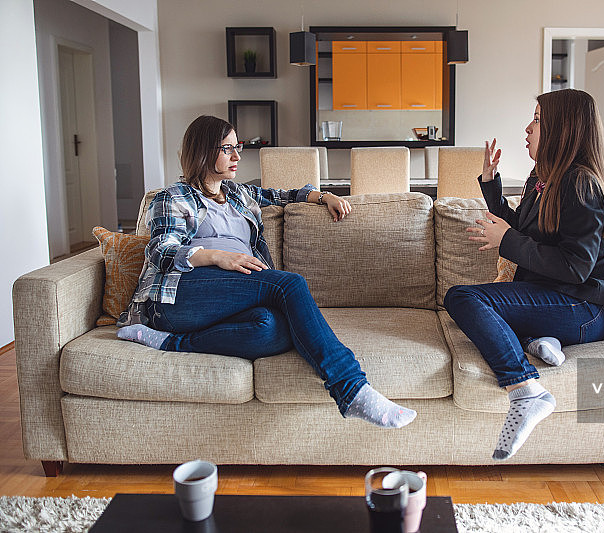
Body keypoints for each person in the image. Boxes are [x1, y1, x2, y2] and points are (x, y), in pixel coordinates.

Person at [117, 115, 416, 429]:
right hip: (180, 295)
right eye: (227, 149)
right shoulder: (173, 197)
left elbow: (284, 196)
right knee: (288, 285)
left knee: (272, 330)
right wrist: (217, 256)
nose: (237, 156)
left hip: (230, 294)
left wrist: (324, 196)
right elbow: (160, 250)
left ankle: (168, 343)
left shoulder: (238, 195)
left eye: (238, 147)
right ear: (204, 152)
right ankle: (352, 389)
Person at [443, 89, 604, 460]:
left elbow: (576, 268)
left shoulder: (582, 185)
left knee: (464, 297)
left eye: (537, 119)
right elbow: (522, 230)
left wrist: (507, 240)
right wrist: (491, 185)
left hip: (583, 308)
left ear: (563, 129)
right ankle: (539, 340)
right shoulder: (542, 179)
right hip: (556, 301)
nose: (528, 128)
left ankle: (527, 390)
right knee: (474, 308)